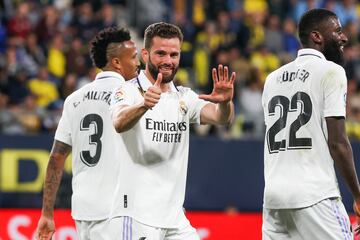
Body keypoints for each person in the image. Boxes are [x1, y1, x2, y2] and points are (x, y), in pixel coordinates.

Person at [107, 22, 235, 239]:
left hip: (174, 219)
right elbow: (119, 122)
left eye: (174, 54)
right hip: (136, 216)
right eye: (161, 53)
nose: (168, 61)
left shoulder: (184, 96)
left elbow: (221, 118)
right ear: (145, 55)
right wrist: (143, 105)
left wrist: (224, 103)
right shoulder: (127, 90)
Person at [261, 8, 360, 239]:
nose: (343, 37)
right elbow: (338, 143)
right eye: (337, 31)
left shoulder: (272, 78)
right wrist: (357, 195)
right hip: (315, 195)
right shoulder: (332, 72)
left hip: (274, 199)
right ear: (317, 36)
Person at [36, 27, 140, 240]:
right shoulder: (134, 96)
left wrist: (47, 213)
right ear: (117, 63)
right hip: (118, 210)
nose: (138, 63)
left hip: (84, 210)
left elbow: (56, 157)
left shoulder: (74, 99)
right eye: (134, 57)